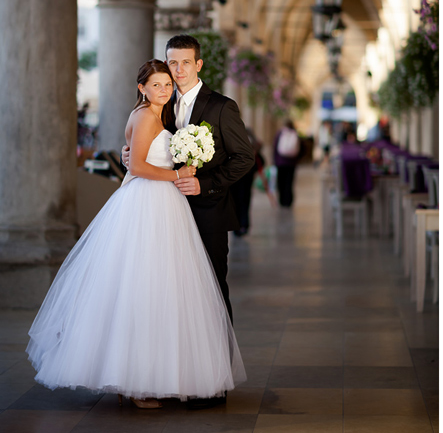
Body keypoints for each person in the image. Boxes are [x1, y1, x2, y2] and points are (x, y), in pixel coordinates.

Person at [27, 61, 246, 408]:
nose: (164, 89)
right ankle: (134, 382)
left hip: (165, 204)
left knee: (162, 291)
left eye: (167, 84)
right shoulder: (146, 115)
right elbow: (138, 166)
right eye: (156, 84)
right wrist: (177, 176)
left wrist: (182, 164)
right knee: (140, 289)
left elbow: (138, 155)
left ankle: (153, 375)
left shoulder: (158, 115)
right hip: (147, 204)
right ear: (141, 88)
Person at [122, 35, 254, 407]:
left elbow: (244, 159)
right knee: (172, 296)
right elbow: (145, 156)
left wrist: (205, 183)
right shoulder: (161, 103)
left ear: (199, 65)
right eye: (172, 63)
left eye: (184, 63)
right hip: (164, 217)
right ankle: (177, 373)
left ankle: (214, 379)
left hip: (208, 213)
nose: (177, 71)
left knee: (211, 293)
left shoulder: (221, 107)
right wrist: (127, 155)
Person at [273, 119, 300, 208]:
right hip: (291, 163)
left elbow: (275, 148)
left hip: (280, 163)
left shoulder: (280, 133)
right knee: (289, 182)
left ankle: (282, 200)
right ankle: (288, 200)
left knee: (281, 182)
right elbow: (301, 149)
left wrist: (275, 161)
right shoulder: (295, 134)